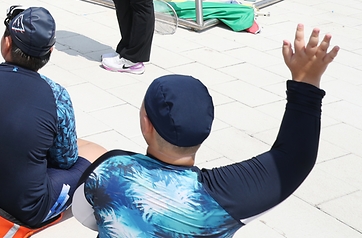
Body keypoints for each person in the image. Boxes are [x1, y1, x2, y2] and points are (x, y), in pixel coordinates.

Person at [73, 23, 339, 237]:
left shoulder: (111, 169)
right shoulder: (226, 196)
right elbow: (295, 158)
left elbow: (84, 214)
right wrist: (306, 82)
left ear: (146, 124)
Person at [0, 6, 105, 227]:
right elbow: (66, 160)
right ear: (49, 53)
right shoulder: (56, 94)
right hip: (24, 206)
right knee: (97, 152)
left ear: (7, 42)